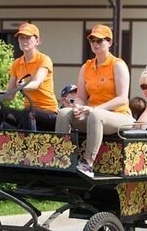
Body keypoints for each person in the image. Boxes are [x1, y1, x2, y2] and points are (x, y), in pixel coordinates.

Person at [56, 24, 134, 177]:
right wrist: (78, 107)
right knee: (64, 113)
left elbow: (122, 98)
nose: (95, 44)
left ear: (109, 42)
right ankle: (63, 158)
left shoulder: (118, 64)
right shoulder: (86, 66)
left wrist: (94, 109)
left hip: (119, 115)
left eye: (99, 40)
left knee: (96, 115)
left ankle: (87, 163)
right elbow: (81, 97)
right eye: (92, 40)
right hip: (92, 114)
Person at [0, 22, 59, 131]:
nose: (24, 41)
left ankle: (30, 142)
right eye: (21, 38)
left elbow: (37, 83)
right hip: (29, 114)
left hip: (49, 113)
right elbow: (10, 94)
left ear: (37, 41)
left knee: (28, 112)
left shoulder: (44, 60)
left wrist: (23, 85)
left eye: (28, 38)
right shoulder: (16, 63)